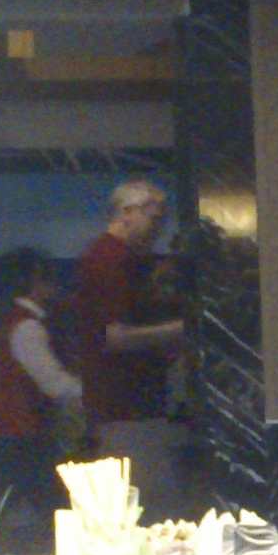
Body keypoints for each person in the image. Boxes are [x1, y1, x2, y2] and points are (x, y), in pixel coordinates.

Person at [71, 180, 191, 513]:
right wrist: (183, 330)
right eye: (154, 218)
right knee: (149, 503)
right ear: (127, 212)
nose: (158, 228)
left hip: (127, 403)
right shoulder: (110, 261)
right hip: (125, 403)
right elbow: (115, 336)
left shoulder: (112, 258)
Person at [0, 248, 83, 522]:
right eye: (48, 279)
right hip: (23, 430)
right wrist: (96, 390)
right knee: (48, 511)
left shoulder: (13, 320)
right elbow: (54, 384)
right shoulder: (27, 327)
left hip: (15, 428)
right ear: (35, 282)